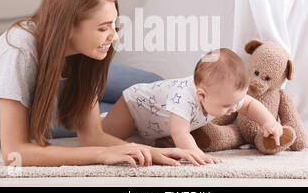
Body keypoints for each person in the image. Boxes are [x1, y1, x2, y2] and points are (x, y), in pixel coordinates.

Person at [0, 0, 203, 168]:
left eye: (114, 25)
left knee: (153, 85)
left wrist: (153, 152)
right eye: (103, 27)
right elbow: (14, 152)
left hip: (57, 86)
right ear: (69, 27)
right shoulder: (20, 50)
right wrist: (102, 155)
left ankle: (219, 108)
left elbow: (92, 134)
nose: (114, 36)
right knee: (135, 114)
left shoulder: (84, 54)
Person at [102, 48, 284, 165]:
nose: (233, 109)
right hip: (133, 108)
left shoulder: (223, 95)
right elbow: (180, 133)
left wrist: (269, 122)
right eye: (228, 105)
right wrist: (198, 154)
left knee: (138, 138)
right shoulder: (183, 99)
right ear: (201, 95)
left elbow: (250, 104)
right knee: (103, 137)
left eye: (236, 103)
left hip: (152, 122)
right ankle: (98, 116)